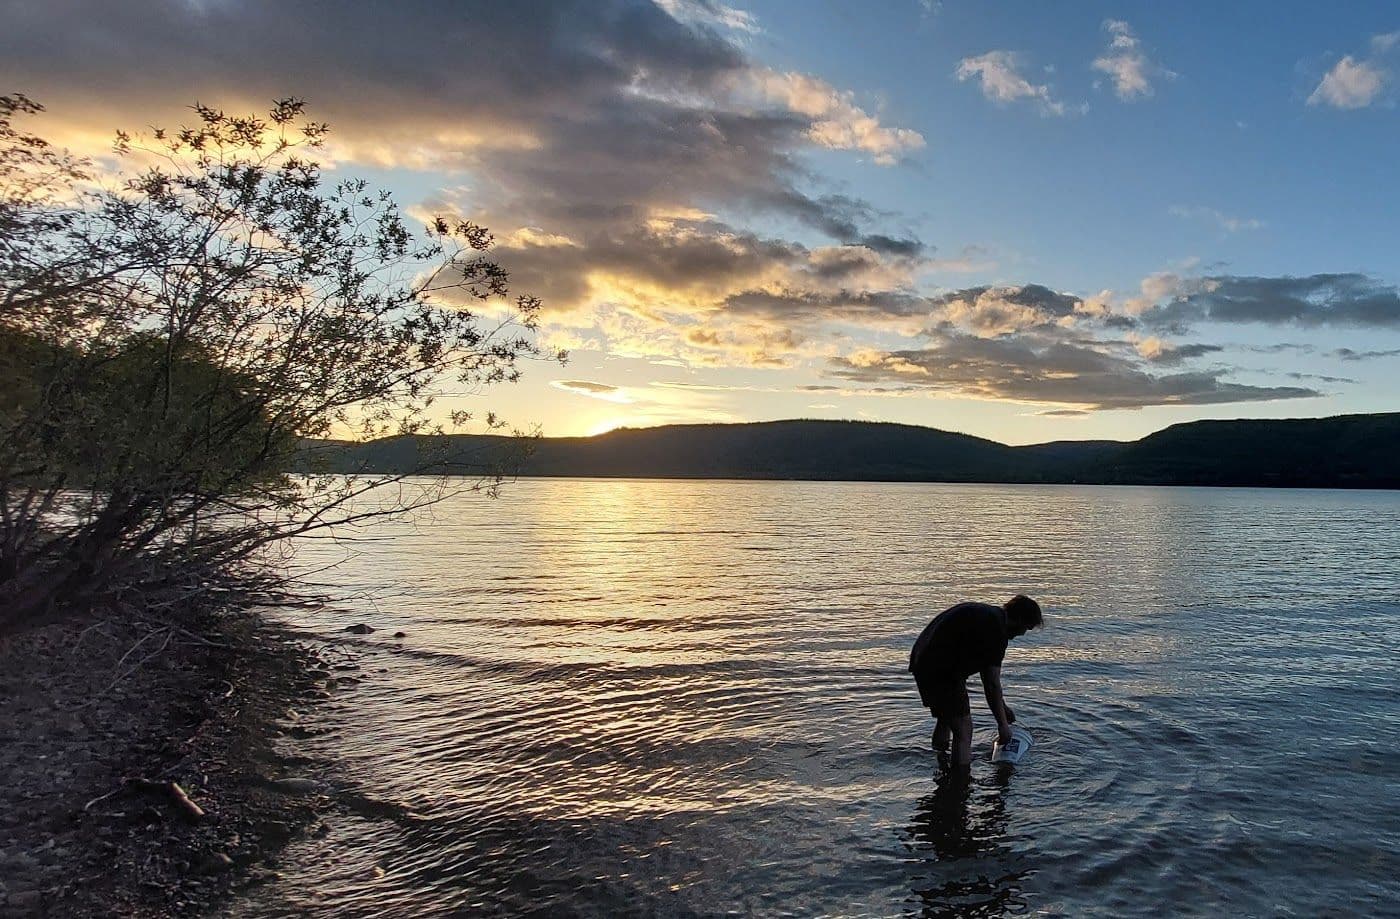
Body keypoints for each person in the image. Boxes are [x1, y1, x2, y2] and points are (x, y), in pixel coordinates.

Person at [909, 595, 1043, 768]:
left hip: (922, 661)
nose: (1023, 633)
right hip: (942, 672)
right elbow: (991, 683)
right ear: (1019, 618)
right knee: (964, 730)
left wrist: (1002, 708)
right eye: (1026, 627)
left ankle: (940, 762)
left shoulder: (989, 616)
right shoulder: (997, 631)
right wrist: (1002, 726)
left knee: (945, 717)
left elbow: (988, 678)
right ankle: (960, 782)